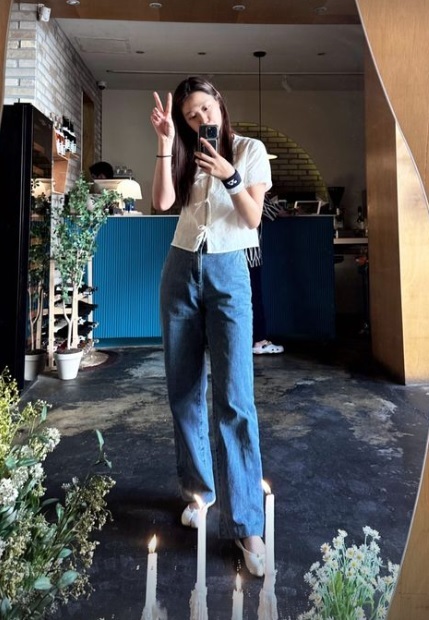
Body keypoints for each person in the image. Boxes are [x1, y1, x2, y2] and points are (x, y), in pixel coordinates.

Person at [150, 76, 271, 577]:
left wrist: (229, 175)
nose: (200, 119)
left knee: (235, 397)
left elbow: (253, 218)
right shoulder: (183, 150)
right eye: (190, 115)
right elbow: (161, 203)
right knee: (184, 391)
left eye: (205, 108)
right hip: (180, 269)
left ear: (219, 102)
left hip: (228, 272)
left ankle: (247, 524)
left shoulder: (249, 150)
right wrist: (165, 144)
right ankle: (200, 493)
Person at [246, 195, 285, 355]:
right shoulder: (253, 186)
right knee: (254, 298)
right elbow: (273, 212)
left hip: (226, 256)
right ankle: (259, 341)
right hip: (249, 255)